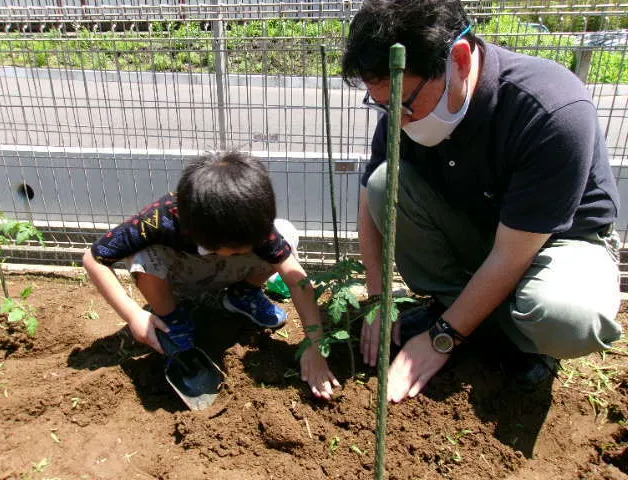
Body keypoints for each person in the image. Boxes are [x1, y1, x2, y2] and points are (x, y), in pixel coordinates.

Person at [342, 0, 623, 402]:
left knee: (567, 318)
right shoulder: (406, 108)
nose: (397, 119)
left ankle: (522, 342)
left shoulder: (550, 108)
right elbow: (371, 199)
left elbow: (512, 254)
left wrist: (440, 339)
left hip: (557, 243)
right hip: (481, 233)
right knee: (386, 183)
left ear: (458, 58)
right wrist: (377, 298)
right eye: (385, 106)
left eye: (405, 104)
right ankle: (477, 319)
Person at [82, 151, 340, 399]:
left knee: (287, 235)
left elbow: (299, 281)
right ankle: (173, 319)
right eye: (239, 248)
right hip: (181, 277)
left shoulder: (250, 222)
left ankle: (243, 295)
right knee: (143, 256)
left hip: (227, 271)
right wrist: (134, 314)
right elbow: (94, 258)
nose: (249, 248)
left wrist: (314, 345)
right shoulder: (160, 219)